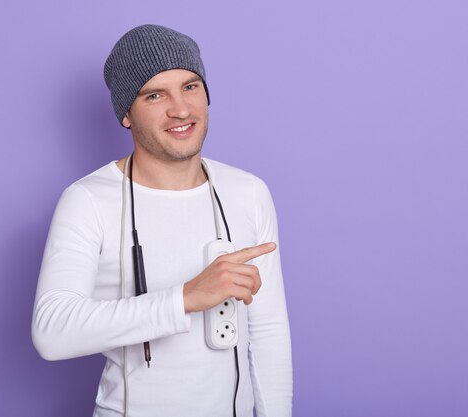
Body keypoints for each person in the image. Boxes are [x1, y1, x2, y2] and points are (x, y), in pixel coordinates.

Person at [31, 24, 292, 417]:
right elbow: (52, 331)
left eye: (190, 87)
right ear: (126, 115)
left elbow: (269, 332)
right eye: (155, 95)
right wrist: (185, 298)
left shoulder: (248, 192)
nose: (181, 109)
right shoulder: (87, 200)